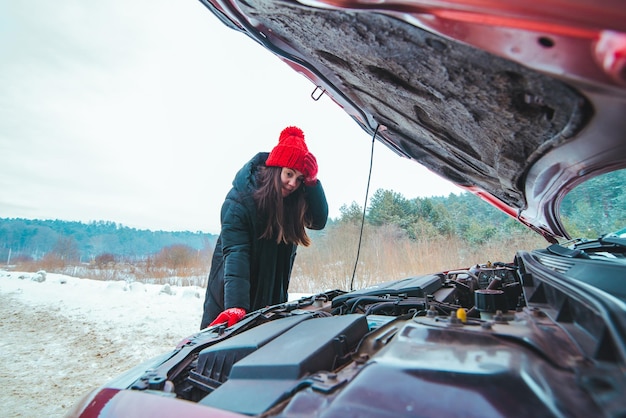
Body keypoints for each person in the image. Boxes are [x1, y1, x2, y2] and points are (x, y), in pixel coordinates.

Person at [200, 126, 329, 329]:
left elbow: (318, 221)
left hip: (271, 298)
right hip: (232, 297)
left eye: (300, 179)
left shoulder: (292, 204)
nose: (293, 183)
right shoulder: (239, 202)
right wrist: (236, 306)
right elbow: (236, 254)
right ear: (276, 168)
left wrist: (313, 184)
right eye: (289, 174)